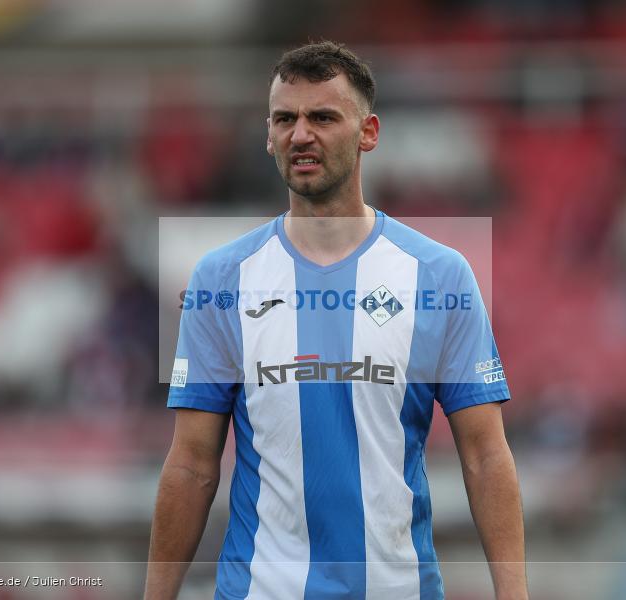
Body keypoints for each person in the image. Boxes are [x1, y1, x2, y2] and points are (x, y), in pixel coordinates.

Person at [145, 41, 528, 600]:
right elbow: (191, 465)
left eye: (322, 117)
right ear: (269, 136)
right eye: (285, 119)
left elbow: (486, 455)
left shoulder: (439, 276)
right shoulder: (220, 280)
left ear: (368, 133)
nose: (301, 134)